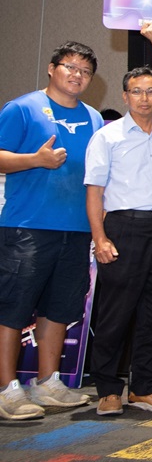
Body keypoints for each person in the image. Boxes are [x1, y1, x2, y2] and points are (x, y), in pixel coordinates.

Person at [0, 42, 103, 419]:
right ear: (51, 68)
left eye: (85, 71)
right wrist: (35, 159)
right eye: (70, 67)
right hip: (27, 227)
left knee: (59, 309)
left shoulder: (94, 117)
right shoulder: (22, 108)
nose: (77, 75)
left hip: (76, 229)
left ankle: (47, 382)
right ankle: (6, 389)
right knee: (12, 308)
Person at [85, 68, 152, 415]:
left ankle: (145, 389)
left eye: (151, 91)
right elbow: (94, 192)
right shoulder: (107, 136)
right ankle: (108, 390)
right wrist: (99, 237)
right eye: (137, 91)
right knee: (116, 313)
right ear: (125, 96)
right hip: (122, 228)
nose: (145, 98)